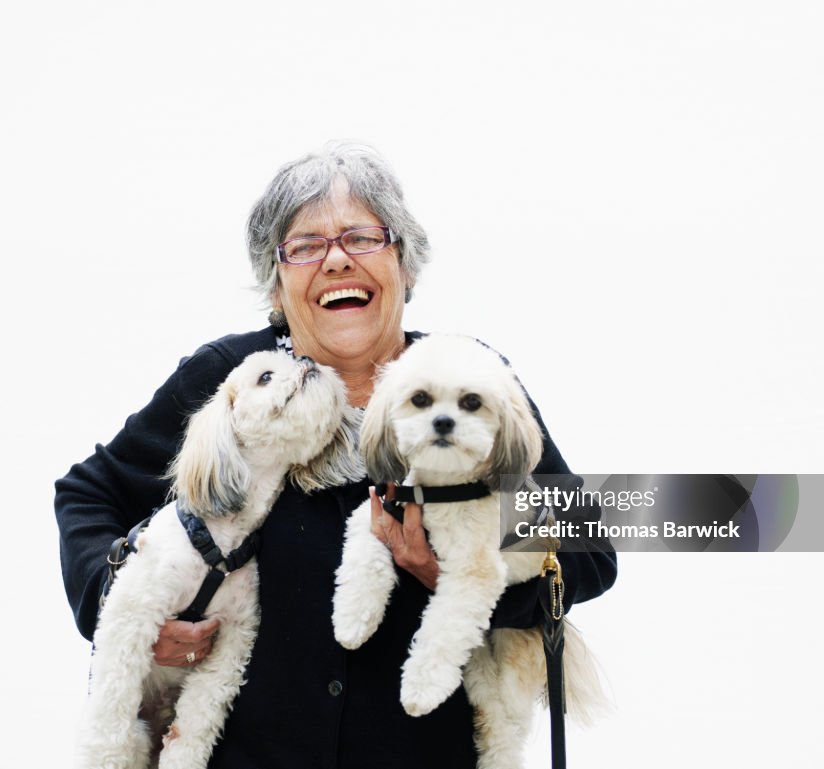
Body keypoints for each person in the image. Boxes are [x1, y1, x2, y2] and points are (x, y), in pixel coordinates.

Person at [55, 141, 617, 769]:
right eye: (305, 246)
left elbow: (588, 549)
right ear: (277, 284)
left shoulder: (466, 383)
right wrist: (128, 616)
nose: (336, 260)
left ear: (404, 263)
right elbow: (88, 493)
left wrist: (453, 575)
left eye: (363, 237)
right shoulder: (232, 381)